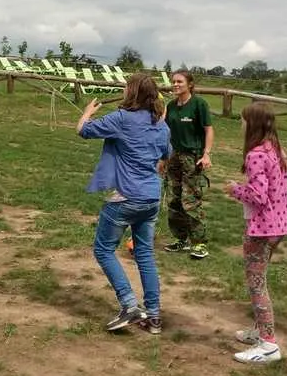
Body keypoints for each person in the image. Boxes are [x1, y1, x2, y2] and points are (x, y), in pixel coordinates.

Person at [78, 72, 172, 334]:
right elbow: (166, 155)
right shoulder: (162, 125)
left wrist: (87, 112)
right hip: (151, 197)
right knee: (145, 254)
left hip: (126, 197)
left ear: (132, 93)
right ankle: (153, 317)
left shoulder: (121, 118)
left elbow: (83, 131)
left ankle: (130, 305)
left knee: (103, 250)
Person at [226, 102, 287, 364]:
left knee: (257, 284)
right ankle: (259, 331)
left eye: (243, 120)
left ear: (252, 123)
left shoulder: (255, 154)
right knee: (260, 279)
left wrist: (234, 189)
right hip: (280, 226)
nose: (241, 125)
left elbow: (258, 196)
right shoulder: (277, 150)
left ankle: (268, 343)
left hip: (262, 229)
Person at [163, 70, 215, 259]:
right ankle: (181, 239)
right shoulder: (170, 106)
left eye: (180, 82)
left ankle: (199, 243)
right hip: (173, 157)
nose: (175, 85)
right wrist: (163, 159)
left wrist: (206, 154)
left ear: (189, 84)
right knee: (174, 200)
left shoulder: (199, 104)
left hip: (193, 158)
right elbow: (166, 133)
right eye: (173, 82)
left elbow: (208, 130)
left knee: (190, 201)